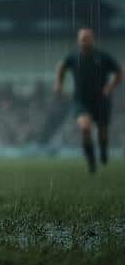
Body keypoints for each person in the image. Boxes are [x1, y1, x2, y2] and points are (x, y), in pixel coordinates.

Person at [54, 28, 121, 173]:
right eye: (83, 38)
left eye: (88, 38)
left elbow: (119, 72)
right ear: (78, 40)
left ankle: (103, 150)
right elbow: (61, 67)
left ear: (93, 40)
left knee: (103, 131)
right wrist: (59, 84)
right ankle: (91, 162)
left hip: (101, 100)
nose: (85, 41)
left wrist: (110, 86)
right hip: (81, 101)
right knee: (85, 127)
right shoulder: (73, 57)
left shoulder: (102, 57)